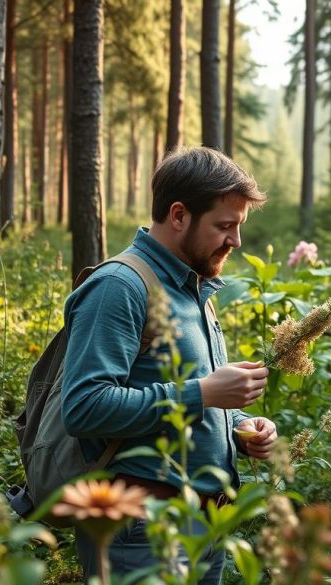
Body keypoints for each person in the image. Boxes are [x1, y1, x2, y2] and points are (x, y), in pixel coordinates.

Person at [61, 146, 277, 583]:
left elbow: (190, 395)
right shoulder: (119, 287)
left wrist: (238, 423)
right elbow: (83, 407)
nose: (235, 241)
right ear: (179, 215)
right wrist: (205, 393)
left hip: (204, 525)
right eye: (225, 226)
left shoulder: (192, 286)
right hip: (141, 529)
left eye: (239, 227)